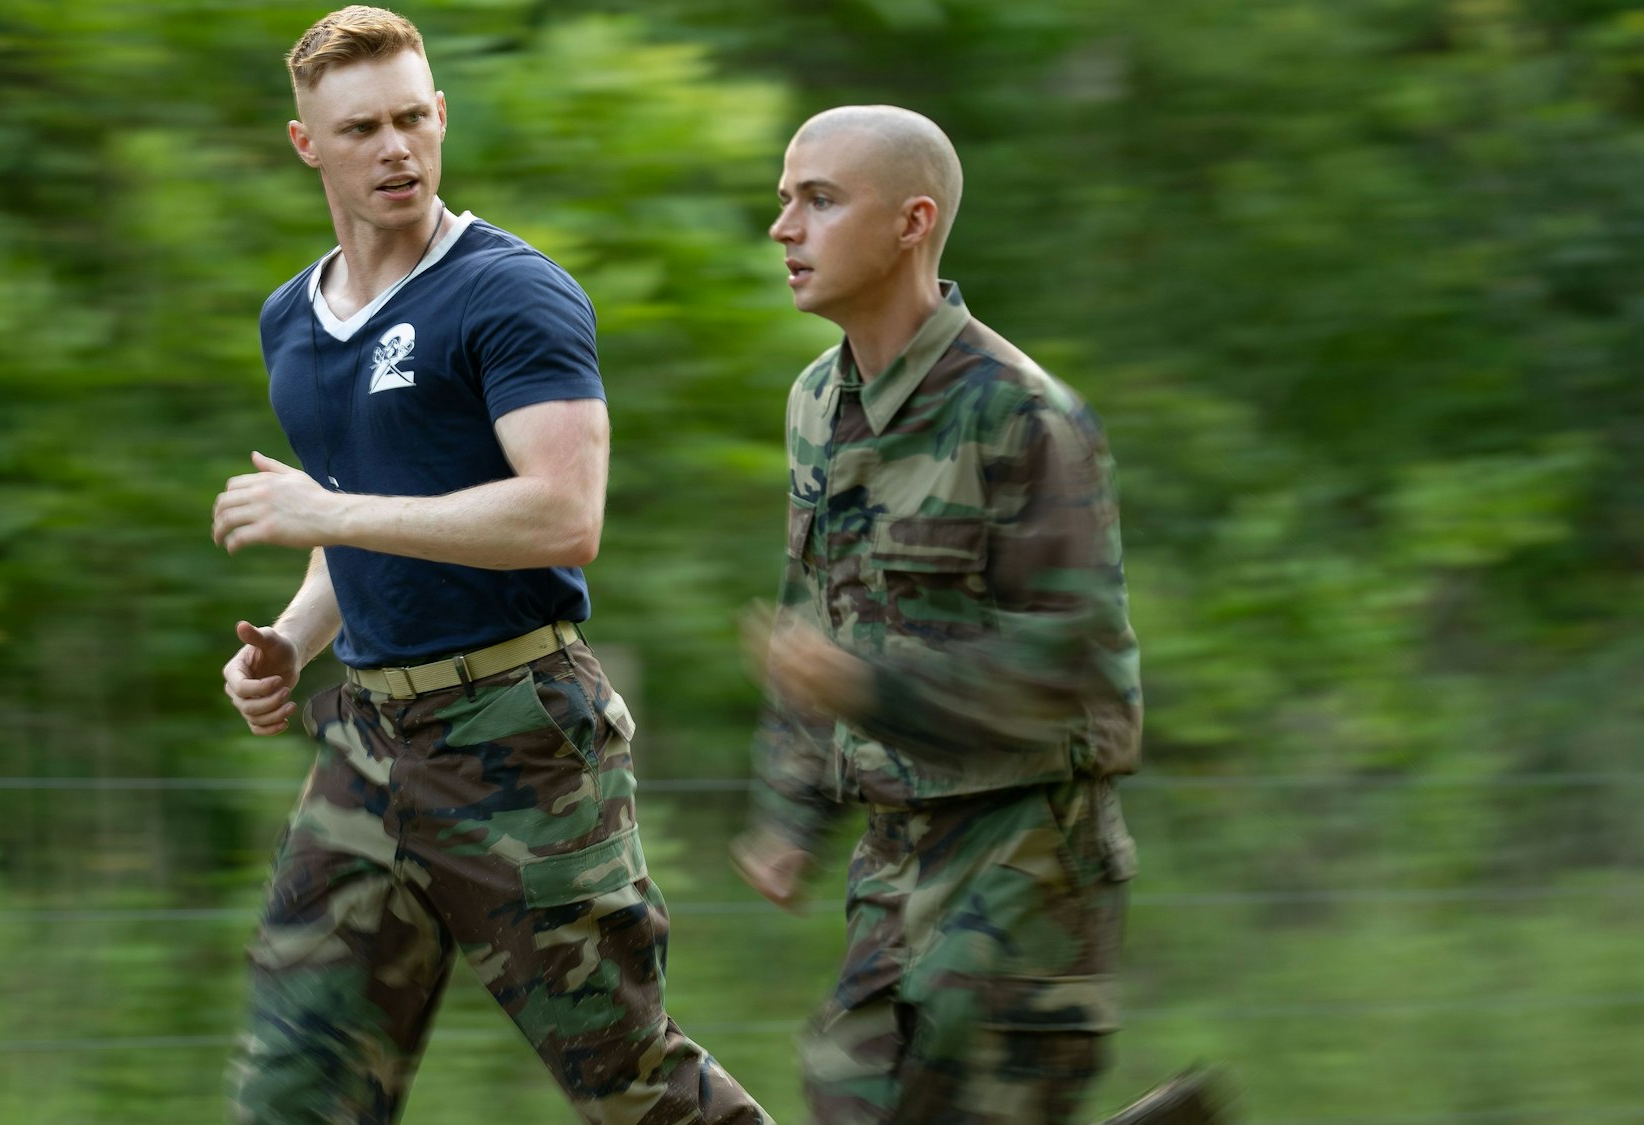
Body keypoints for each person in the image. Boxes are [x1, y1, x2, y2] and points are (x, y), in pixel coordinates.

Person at [210, 8, 770, 1124]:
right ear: (305, 143)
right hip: (367, 746)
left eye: (414, 118)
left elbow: (561, 515)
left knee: (630, 1088)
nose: (396, 149)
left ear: (442, 116)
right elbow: (363, 528)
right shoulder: (292, 319)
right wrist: (293, 636)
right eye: (361, 127)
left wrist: (325, 508)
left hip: (518, 738)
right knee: (294, 1090)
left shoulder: (508, 292)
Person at [733, 105, 1221, 1124]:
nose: (783, 227)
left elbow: (1075, 670)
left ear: (911, 223)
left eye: (818, 200)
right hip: (892, 850)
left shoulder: (1024, 415)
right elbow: (809, 620)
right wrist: (790, 814)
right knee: (846, 1094)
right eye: (785, 199)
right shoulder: (817, 405)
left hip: (1028, 856)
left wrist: (869, 688)